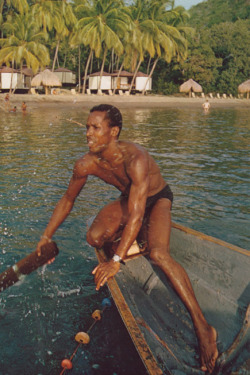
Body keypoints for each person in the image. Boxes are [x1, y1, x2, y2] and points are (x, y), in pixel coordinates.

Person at [36, 104, 218, 373]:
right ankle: (138, 239)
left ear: (114, 132)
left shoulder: (136, 158)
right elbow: (67, 199)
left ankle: (204, 328)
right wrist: (45, 236)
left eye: (95, 128)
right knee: (94, 237)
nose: (88, 133)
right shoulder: (85, 164)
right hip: (129, 200)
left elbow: (136, 213)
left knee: (158, 254)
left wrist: (117, 260)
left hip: (156, 200)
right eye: (87, 127)